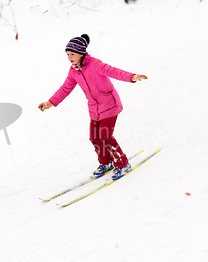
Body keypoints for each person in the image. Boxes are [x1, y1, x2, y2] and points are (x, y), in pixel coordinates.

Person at [38, 34, 148, 181]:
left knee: (105, 136)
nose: (70, 57)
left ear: (81, 53)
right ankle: (106, 162)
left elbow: (113, 71)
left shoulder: (95, 64)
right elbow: (65, 88)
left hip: (109, 105)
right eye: (67, 54)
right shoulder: (73, 71)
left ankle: (122, 164)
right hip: (94, 109)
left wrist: (132, 77)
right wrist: (49, 103)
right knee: (95, 137)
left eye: (73, 54)